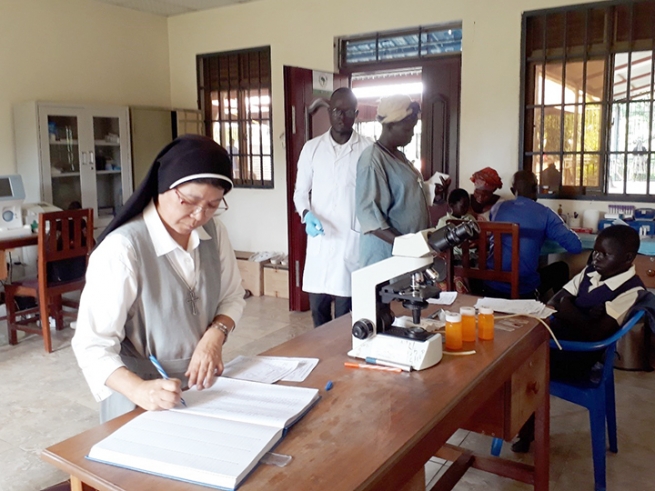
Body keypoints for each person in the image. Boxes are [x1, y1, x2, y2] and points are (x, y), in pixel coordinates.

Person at [72, 135, 246, 423]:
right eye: (190, 201)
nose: (199, 215)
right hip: (138, 400)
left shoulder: (215, 235)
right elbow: (92, 345)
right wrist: (140, 390)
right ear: (164, 186)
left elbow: (232, 296)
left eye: (213, 205)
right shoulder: (123, 249)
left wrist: (216, 335)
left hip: (200, 392)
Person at [512, 225, 645, 453]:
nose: (596, 257)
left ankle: (525, 431)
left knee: (520, 363)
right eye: (595, 251)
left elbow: (594, 334)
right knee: (514, 348)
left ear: (627, 258)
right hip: (559, 341)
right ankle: (517, 421)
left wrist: (568, 308)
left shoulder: (630, 291)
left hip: (581, 356)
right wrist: (573, 311)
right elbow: (556, 300)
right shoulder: (590, 272)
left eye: (605, 254)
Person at [293, 88, 372, 327]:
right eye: (336, 110)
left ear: (356, 114)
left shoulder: (368, 149)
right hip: (321, 241)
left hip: (351, 241)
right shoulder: (312, 148)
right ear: (329, 112)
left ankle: (344, 358)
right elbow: (300, 193)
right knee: (318, 311)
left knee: (346, 314)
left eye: (347, 111)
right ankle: (324, 360)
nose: (341, 116)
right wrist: (307, 215)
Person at [356, 94, 430, 267]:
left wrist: (430, 192)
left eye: (413, 128)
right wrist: (405, 245)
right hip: (385, 256)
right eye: (407, 129)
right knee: (390, 293)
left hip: (406, 253)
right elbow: (369, 217)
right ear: (389, 126)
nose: (412, 134)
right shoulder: (372, 161)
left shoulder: (398, 156)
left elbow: (403, 194)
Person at [485, 170, 582, 299]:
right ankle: (557, 312)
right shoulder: (545, 214)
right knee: (561, 268)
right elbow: (576, 246)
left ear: (513, 190)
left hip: (490, 286)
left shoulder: (497, 208)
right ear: (535, 188)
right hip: (523, 290)